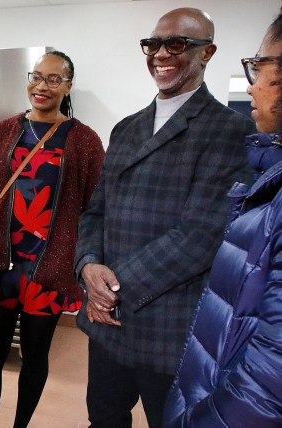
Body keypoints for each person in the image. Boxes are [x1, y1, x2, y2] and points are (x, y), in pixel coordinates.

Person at [74, 7, 257, 428]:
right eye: (152, 44)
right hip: (107, 323)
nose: (161, 54)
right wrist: (87, 266)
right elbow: (95, 210)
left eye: (177, 44)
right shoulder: (126, 128)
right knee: (103, 418)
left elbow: (203, 234)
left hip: (170, 327)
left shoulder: (228, 131)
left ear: (207, 52)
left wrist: (112, 287)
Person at [0, 50, 105, 427]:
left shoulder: (86, 141)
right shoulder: (3, 132)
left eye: (53, 79)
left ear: (68, 86)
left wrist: (85, 260)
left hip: (48, 269)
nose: (42, 86)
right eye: (37, 76)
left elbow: (97, 208)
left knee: (35, 358)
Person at [163, 10, 282, 427]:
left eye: (260, 66)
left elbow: (269, 382)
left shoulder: (228, 131)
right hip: (210, 382)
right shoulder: (268, 171)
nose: (252, 85)